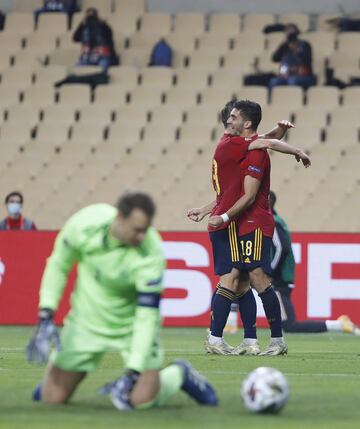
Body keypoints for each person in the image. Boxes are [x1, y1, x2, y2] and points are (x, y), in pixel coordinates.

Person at [26, 191, 217, 410]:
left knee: (141, 401)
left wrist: (133, 371)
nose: (142, 237)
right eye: (137, 230)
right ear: (119, 218)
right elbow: (59, 265)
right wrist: (46, 311)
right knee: (52, 400)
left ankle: (178, 374)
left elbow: (147, 316)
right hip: (87, 319)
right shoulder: (85, 223)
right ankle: (56, 379)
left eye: (145, 230)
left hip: (132, 324)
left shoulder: (151, 252)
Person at [187, 99, 311, 356]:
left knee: (251, 278)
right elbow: (266, 140)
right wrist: (207, 209)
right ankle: (248, 340)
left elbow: (266, 143)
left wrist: (293, 146)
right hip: (235, 221)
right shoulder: (238, 143)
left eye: (233, 117)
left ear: (246, 123)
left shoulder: (247, 148)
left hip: (249, 221)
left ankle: (266, 340)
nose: (227, 121)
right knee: (241, 281)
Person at [269, 190, 360, 335]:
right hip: (282, 278)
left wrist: (270, 271)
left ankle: (338, 324)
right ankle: (230, 322)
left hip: (279, 280)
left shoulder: (272, 222)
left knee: (289, 325)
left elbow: (282, 248)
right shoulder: (278, 220)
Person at [269, 24, 316, 90]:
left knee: (292, 81)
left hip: (304, 76)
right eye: (287, 31)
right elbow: (275, 58)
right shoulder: (285, 46)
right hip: (287, 76)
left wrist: (298, 51)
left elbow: (308, 61)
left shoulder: (305, 45)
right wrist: (284, 45)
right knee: (273, 81)